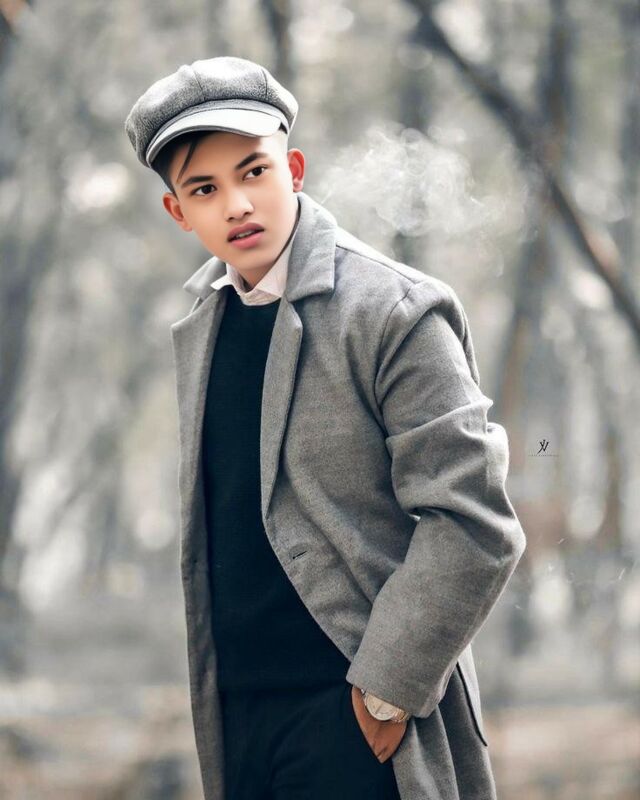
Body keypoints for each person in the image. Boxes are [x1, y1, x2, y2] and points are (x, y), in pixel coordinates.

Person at [124, 55, 526, 800]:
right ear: (179, 212)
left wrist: (386, 689)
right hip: (240, 721)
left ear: (294, 169)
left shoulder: (394, 310)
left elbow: (474, 522)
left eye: (253, 172)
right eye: (205, 189)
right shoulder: (204, 323)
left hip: (360, 724)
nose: (237, 204)